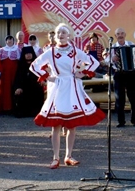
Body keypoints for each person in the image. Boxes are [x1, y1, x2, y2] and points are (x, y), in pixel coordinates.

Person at [29, 23, 105, 169]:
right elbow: (34, 66)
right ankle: (55, 157)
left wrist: (82, 73)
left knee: (72, 124)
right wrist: (46, 76)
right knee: (56, 124)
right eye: (58, 33)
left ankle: (68, 156)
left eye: (63, 32)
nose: (60, 35)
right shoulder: (50, 52)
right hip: (58, 87)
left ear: (69, 35)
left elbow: (94, 62)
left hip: (72, 86)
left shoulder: (76, 51)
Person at [111, 27, 135, 127]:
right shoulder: (112, 47)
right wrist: (112, 59)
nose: (120, 35)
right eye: (118, 34)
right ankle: (121, 122)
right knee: (119, 99)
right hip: (118, 74)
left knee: (133, 98)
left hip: (131, 74)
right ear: (116, 36)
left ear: (125, 35)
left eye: (122, 33)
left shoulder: (132, 45)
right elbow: (107, 60)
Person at [13, 45, 44, 117]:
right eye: (26, 54)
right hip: (24, 89)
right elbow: (17, 78)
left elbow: (41, 75)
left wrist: (42, 80)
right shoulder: (20, 65)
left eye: (30, 53)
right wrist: (18, 87)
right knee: (18, 92)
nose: (28, 55)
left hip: (35, 88)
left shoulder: (36, 64)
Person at [0, 35, 20, 112]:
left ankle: (14, 106)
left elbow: (19, 61)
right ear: (6, 41)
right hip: (5, 72)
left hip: (14, 71)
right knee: (5, 87)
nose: (9, 41)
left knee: (13, 86)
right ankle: (5, 106)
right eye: (8, 39)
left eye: (11, 39)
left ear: (13, 40)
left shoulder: (17, 49)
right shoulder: (2, 50)